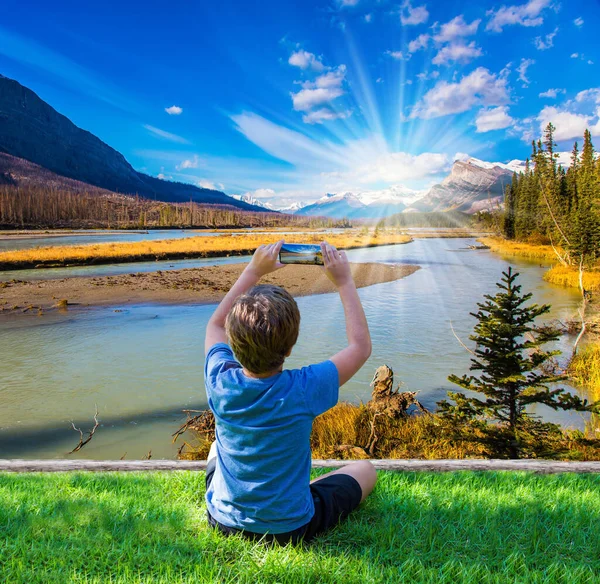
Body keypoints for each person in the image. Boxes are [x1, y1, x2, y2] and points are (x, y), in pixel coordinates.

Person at [203, 239, 377, 544]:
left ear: (233, 342)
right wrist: (345, 281)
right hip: (288, 529)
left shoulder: (219, 379)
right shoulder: (304, 388)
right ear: (291, 346)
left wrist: (253, 270)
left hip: (221, 520)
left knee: (217, 447)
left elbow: (214, 326)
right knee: (365, 470)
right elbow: (360, 348)